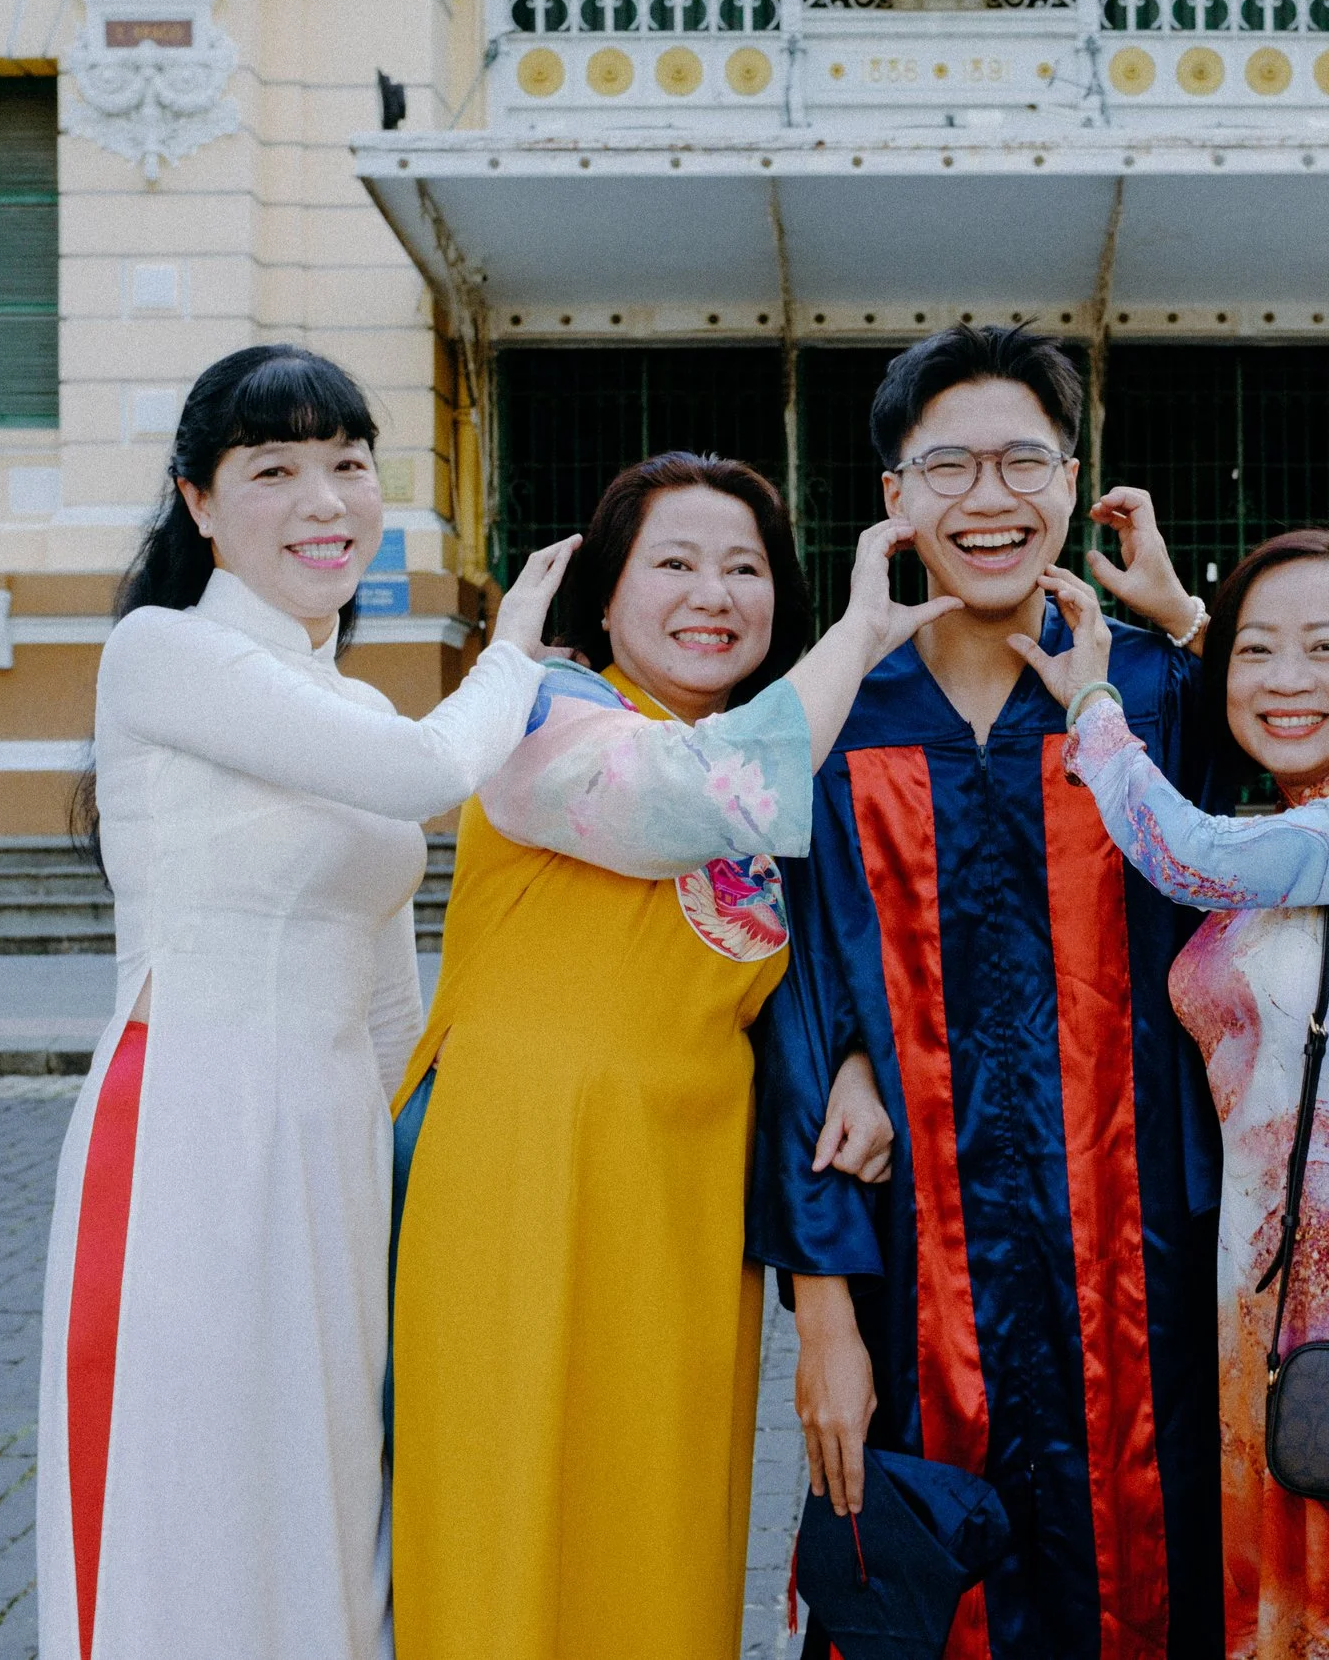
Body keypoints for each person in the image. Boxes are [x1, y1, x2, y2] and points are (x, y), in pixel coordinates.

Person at [38, 344, 570, 1660]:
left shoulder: (348, 701)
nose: (324, 500)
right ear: (200, 501)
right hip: (195, 1129)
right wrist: (512, 652)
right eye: (273, 469)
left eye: (347, 463)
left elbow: (390, 1002)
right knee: (196, 1491)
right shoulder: (165, 651)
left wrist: (431, 1174)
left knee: (328, 1487)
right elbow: (428, 771)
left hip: (336, 1148)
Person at [385, 453, 952, 1660]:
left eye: (745, 567)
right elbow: (695, 798)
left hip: (684, 1198)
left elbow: (815, 985)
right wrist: (861, 633)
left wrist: (858, 1062)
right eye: (675, 563)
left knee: (658, 1522)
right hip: (523, 1171)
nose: (714, 594)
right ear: (603, 592)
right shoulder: (541, 711)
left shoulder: (773, 755)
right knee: (507, 1513)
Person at [747, 323, 1226, 1660]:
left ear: (1073, 484)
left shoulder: (1154, 696)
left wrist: (1187, 622)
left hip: (1142, 1277)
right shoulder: (833, 716)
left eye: (1024, 461)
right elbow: (797, 1026)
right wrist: (822, 1315)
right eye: (947, 466)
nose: (989, 498)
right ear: (894, 497)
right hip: (912, 1277)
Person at [1014, 530, 1329, 1659]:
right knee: (1279, 1591)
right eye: (1256, 651)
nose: (1285, 677)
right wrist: (1193, 622)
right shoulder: (1301, 817)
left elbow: (1189, 854)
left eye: (1328, 647)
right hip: (1265, 1278)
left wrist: (1092, 703)